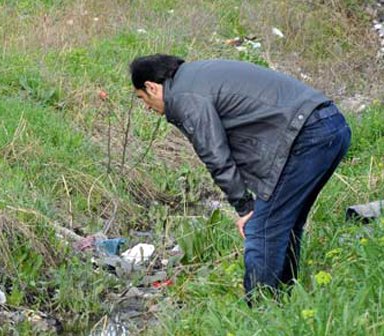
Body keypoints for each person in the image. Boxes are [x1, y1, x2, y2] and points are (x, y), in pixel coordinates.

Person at [129, 54, 351, 298]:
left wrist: (245, 208)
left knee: (262, 229)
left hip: (308, 134)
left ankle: (260, 312)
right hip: (331, 126)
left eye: (142, 99)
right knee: (283, 223)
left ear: (151, 86)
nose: (147, 108)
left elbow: (215, 155)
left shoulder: (184, 96)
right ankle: (286, 305)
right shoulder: (196, 76)